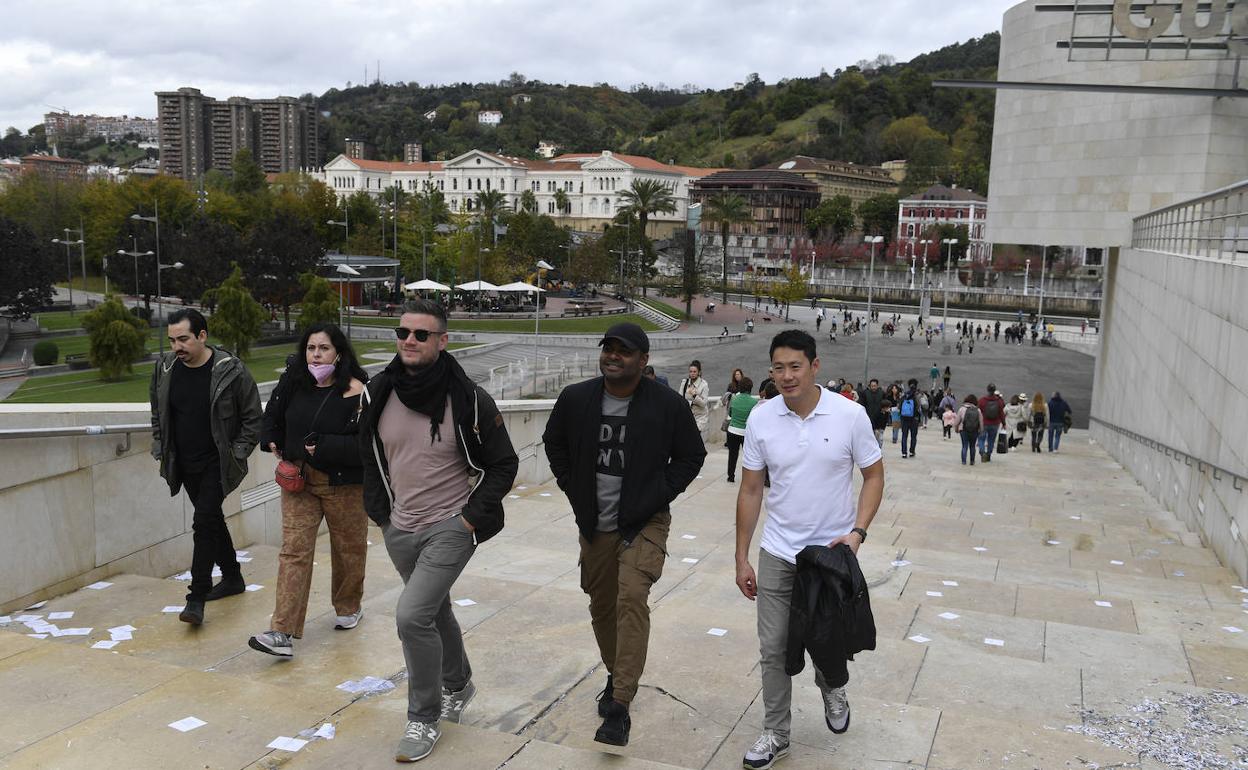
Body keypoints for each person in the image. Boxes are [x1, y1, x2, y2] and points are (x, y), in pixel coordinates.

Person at [358, 299, 519, 763]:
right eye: (403, 332)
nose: (409, 340)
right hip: (399, 526)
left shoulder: (468, 399)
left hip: (450, 525)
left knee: (411, 616)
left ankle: (423, 718)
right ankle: (459, 683)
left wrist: (469, 518)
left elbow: (504, 464)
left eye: (421, 334)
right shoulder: (378, 392)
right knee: (432, 609)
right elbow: (369, 455)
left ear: (442, 341)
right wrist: (383, 518)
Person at [543, 322, 706, 747]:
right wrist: (572, 486)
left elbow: (692, 456)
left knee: (631, 598)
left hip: (643, 521)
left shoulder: (667, 405)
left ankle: (619, 705)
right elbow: (553, 441)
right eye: (608, 349)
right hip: (594, 523)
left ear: (643, 360)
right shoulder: (577, 398)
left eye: (624, 351)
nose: (614, 356)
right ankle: (619, 671)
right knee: (601, 607)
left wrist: (658, 494)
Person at [734, 329, 884, 769]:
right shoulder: (762, 418)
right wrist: (742, 555)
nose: (786, 376)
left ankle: (832, 685)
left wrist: (857, 533)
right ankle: (776, 732)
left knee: (827, 639)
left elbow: (874, 476)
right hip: (779, 551)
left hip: (831, 556)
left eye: (794, 366)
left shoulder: (850, 415)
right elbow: (750, 490)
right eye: (778, 367)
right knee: (774, 647)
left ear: (815, 366)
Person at [250, 323, 370, 657]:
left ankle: (348, 606)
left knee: (349, 549)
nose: (315, 355)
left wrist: (326, 447)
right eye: (310, 348)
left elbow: (369, 445)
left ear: (339, 353)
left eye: (323, 348)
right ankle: (281, 632)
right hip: (299, 483)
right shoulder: (293, 380)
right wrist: (271, 436)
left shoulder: (360, 389)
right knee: (294, 552)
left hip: (344, 484)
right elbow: (272, 414)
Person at [150, 309, 262, 626]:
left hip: (218, 462)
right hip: (184, 463)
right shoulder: (165, 368)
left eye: (183, 339)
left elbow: (253, 419)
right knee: (211, 519)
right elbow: (157, 413)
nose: (177, 347)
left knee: (202, 522)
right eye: (172, 340)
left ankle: (196, 597)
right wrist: (161, 447)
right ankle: (233, 577)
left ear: (202, 335)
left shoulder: (231, 371)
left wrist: (237, 453)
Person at [726, 377, 759, 482]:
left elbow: (730, 413)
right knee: (748, 456)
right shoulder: (754, 402)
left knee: (732, 455)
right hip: (746, 432)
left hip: (732, 430)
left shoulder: (734, 399)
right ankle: (747, 477)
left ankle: (731, 476)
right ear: (750, 388)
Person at [678, 360, 711, 433]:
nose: (692, 374)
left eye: (694, 372)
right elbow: (680, 399)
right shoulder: (684, 382)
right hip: (687, 416)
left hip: (700, 418)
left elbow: (703, 404)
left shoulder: (704, 385)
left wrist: (695, 396)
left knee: (696, 440)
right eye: (690, 371)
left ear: (699, 372)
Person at [977, 384, 1007, 463]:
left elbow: (977, 411)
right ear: (994, 390)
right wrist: (1004, 423)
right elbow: (1001, 413)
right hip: (995, 424)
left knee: (981, 439)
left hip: (984, 423)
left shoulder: (982, 400)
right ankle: (988, 455)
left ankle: (982, 452)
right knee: (991, 440)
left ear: (987, 390)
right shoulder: (999, 401)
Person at [857, 379, 885, 447]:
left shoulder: (882, 393)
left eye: (875, 386)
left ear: (877, 386)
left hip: (879, 418)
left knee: (879, 437)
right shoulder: (865, 393)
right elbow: (861, 403)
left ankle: (878, 450)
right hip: (868, 418)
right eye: (872, 386)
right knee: (869, 436)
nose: (873, 387)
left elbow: (885, 404)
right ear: (870, 386)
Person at [955, 394, 981, 465]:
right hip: (974, 430)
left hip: (963, 430)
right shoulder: (978, 410)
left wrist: (956, 428)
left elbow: (957, 421)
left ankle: (964, 461)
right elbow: (981, 421)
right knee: (972, 446)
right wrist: (980, 430)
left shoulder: (962, 409)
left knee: (964, 445)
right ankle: (972, 461)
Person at [898, 379, 920, 459]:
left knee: (904, 436)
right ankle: (912, 451)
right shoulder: (917, 395)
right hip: (914, 419)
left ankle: (904, 452)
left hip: (904, 419)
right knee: (913, 436)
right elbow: (919, 407)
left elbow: (899, 406)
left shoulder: (904, 395)